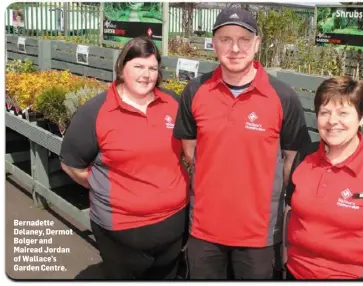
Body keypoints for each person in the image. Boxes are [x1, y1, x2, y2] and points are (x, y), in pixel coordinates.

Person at [173, 7, 311, 280]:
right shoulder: (195, 91)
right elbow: (190, 152)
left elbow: (292, 160)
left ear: (257, 44)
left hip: (258, 235)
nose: (235, 48)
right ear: (214, 44)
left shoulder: (282, 97)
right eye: (225, 39)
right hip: (204, 231)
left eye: (244, 40)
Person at [59, 36, 188, 280]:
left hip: (173, 226)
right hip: (121, 233)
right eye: (138, 66)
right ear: (121, 67)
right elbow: (71, 165)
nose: (146, 75)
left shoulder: (172, 102)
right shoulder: (96, 112)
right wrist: (104, 187)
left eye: (152, 68)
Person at [283, 76, 363, 280]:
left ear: (362, 117)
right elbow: (290, 212)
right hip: (297, 273)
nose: (332, 121)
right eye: (324, 112)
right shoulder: (303, 157)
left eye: (343, 112)